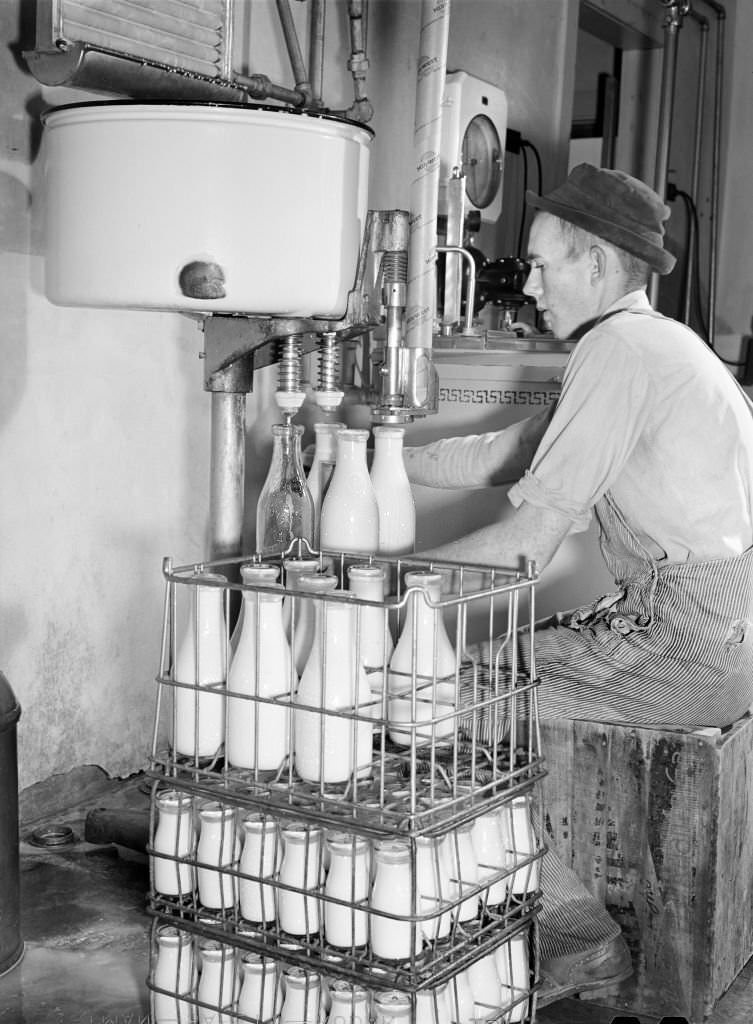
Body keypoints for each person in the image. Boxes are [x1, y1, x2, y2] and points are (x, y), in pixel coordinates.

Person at [404, 162, 753, 1004]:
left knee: (428, 702)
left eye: (539, 264)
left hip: (688, 640)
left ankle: (577, 937)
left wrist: (395, 589)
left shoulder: (618, 350)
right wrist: (372, 452)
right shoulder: (654, 345)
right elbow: (504, 453)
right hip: (720, 627)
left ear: (593, 262)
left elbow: (528, 541)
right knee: (481, 675)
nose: (526, 287)